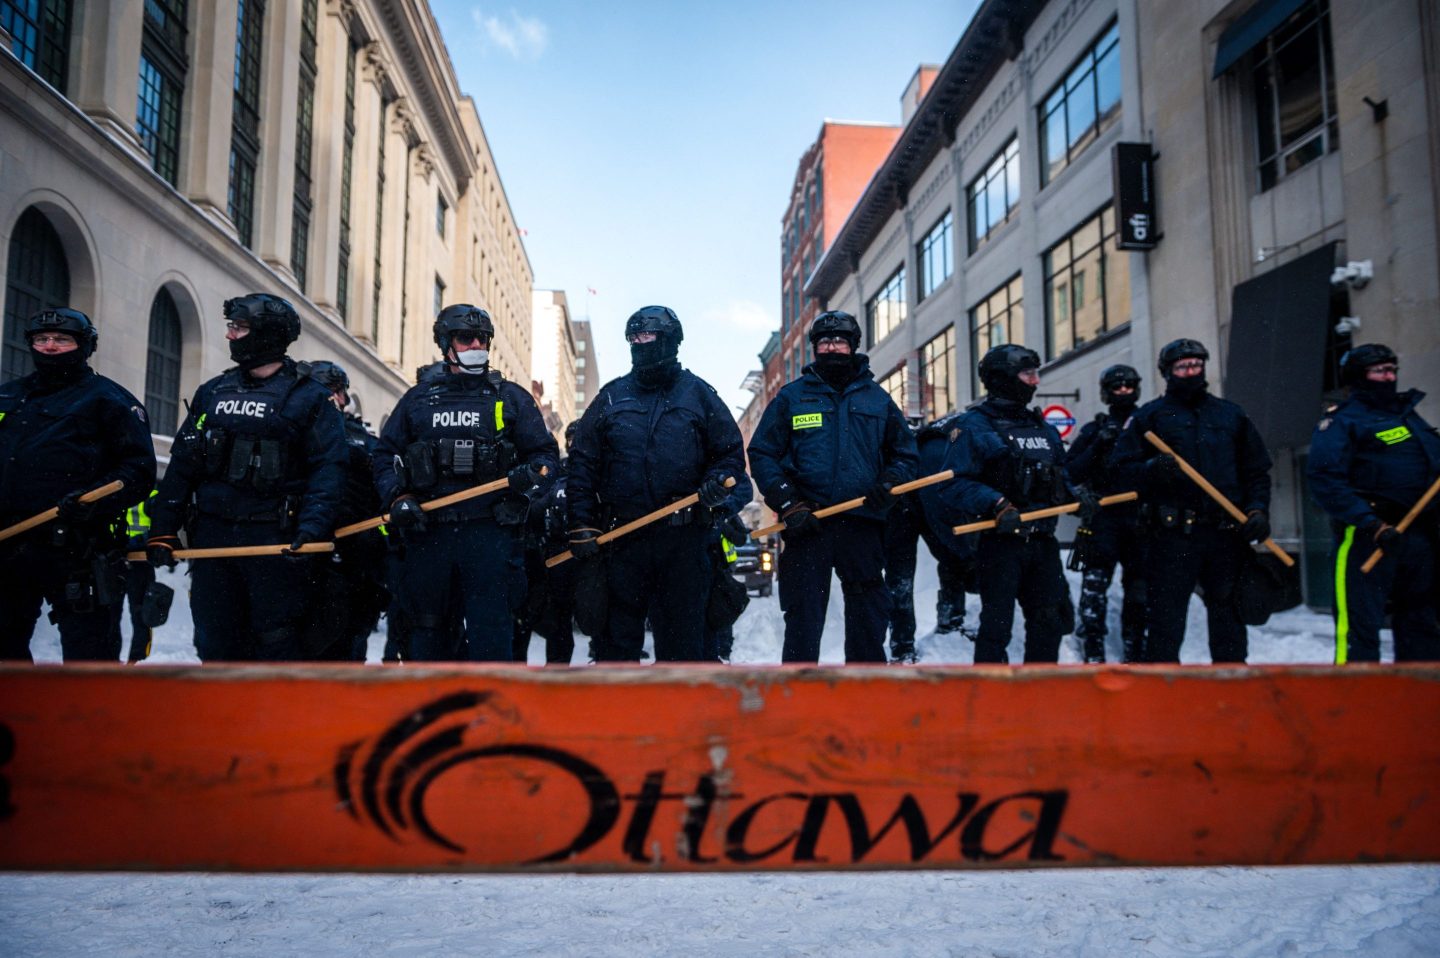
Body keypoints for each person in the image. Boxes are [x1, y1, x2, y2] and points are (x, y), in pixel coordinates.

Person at [146, 293, 348, 661]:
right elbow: (182, 467)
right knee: (214, 640)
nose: (230, 336)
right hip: (213, 540)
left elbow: (328, 471)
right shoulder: (214, 391)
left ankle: (271, 717)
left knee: (275, 639)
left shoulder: (311, 398)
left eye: (239, 328)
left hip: (276, 543)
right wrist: (162, 528)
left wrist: (311, 529)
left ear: (267, 334)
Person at [373, 304, 557, 662]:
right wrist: (397, 498)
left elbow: (546, 459)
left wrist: (530, 479)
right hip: (431, 536)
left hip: (491, 537)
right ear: (446, 343)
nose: (476, 344)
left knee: (492, 636)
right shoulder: (419, 400)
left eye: (482, 338)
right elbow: (384, 457)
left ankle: (490, 713)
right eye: (465, 337)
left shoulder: (510, 397)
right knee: (427, 637)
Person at [566, 305, 749, 662]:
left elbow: (729, 456)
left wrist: (716, 487)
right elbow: (582, 466)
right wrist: (582, 524)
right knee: (616, 649)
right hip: (622, 542)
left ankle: (679, 717)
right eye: (634, 338)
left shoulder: (700, 396)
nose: (641, 344)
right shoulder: (611, 397)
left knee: (683, 649)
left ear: (671, 341)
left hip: (683, 543)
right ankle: (622, 716)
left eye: (649, 337)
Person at [748, 310, 917, 663]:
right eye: (824, 342)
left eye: (839, 341)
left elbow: (905, 455)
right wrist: (788, 502)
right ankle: (800, 696)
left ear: (853, 346)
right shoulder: (791, 398)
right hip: (807, 525)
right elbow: (763, 453)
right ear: (815, 349)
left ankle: (863, 693)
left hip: (863, 524)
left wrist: (890, 481)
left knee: (868, 616)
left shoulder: (877, 399)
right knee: (803, 619)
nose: (831, 348)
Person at [0, 307, 156, 661]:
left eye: (61, 339)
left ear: (84, 346)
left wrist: (91, 502)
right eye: (42, 339)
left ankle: (90, 716)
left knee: (90, 654)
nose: (50, 347)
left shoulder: (109, 400)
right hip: (10, 546)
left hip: (77, 549)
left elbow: (138, 470)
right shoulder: (10, 396)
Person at [1109, 339, 1273, 663]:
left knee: (1229, 622)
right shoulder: (1150, 418)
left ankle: (1229, 690)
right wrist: (1151, 469)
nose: (1190, 372)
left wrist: (1258, 510)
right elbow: (1120, 471)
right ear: (1167, 372)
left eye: (1196, 365)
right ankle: (1164, 695)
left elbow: (1256, 471)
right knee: (1165, 625)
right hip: (1172, 538)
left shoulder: (1230, 415)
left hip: (1225, 535)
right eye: (1182, 367)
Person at [939, 345, 1086, 664]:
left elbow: (1060, 472)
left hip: (1043, 543)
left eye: (1036, 374)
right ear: (1004, 378)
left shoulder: (1041, 426)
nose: (1035, 382)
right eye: (1028, 374)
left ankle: (1038, 697)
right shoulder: (971, 425)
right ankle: (990, 702)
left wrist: (1077, 497)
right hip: (1001, 544)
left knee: (1050, 622)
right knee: (996, 627)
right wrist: (997, 503)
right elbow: (951, 484)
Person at [1306, 343, 1440, 662]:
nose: (1389, 376)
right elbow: (1325, 480)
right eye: (1379, 371)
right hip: (1371, 536)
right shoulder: (1342, 422)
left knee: (1422, 623)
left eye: (1392, 370)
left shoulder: (1408, 415)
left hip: (1418, 534)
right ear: (1359, 377)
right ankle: (1353, 701)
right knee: (1358, 628)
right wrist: (1372, 524)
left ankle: (1417, 701)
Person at [301, 360, 387, 661]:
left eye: (336, 393)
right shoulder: (294, 433)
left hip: (354, 557)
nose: (334, 399)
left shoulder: (365, 442)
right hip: (306, 555)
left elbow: (382, 494)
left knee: (349, 641)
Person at [1065, 364, 1148, 663]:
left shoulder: (1148, 425)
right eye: (1117, 387)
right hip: (1103, 521)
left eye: (1128, 386)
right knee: (1094, 592)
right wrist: (1098, 445)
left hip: (1141, 521)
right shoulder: (1094, 430)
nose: (1124, 392)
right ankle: (1093, 652)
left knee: (1140, 592)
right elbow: (1070, 472)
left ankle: (1136, 652)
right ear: (1106, 392)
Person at [883, 411, 977, 664]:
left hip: (917, 499)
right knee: (901, 577)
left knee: (947, 561)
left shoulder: (954, 443)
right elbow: (940, 511)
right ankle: (904, 647)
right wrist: (964, 552)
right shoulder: (940, 450)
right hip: (902, 506)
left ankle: (948, 624)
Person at [513, 420, 580, 665]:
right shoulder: (554, 474)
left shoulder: (592, 473)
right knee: (545, 618)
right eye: (571, 439)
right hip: (547, 557)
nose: (574, 444)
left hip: (582, 556)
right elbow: (534, 507)